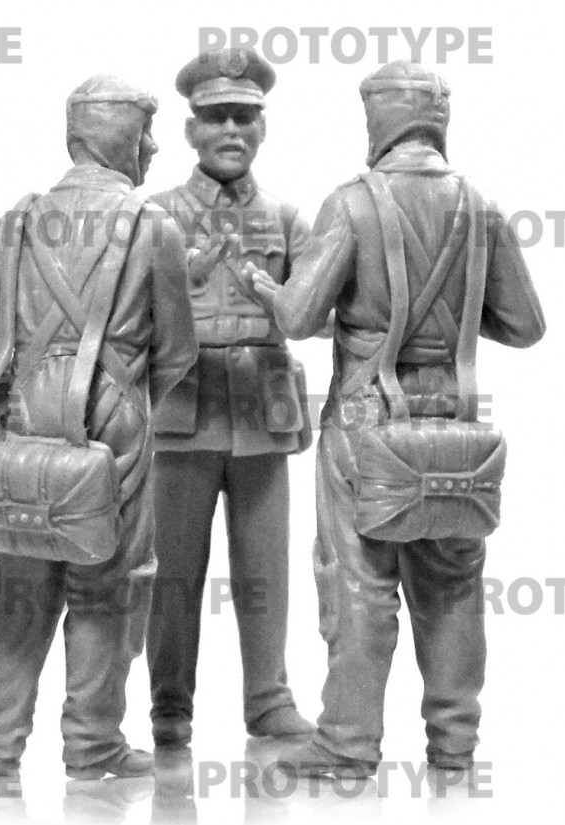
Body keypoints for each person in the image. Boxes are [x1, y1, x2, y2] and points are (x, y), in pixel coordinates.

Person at [250, 61, 546, 776]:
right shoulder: (480, 205)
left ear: (378, 122)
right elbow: (526, 324)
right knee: (453, 586)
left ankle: (348, 744)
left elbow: (299, 315)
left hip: (367, 422)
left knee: (359, 582)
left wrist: (265, 287)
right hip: (454, 424)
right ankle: (454, 745)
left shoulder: (351, 203)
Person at [0, 74, 198, 781]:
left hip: (26, 419)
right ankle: (92, 747)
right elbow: (177, 350)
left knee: (21, 583)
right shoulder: (154, 226)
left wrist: (8, 391)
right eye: (145, 133)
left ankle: (0, 746)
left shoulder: (22, 217)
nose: (154, 148)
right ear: (120, 137)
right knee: (108, 586)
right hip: (114, 424)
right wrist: (125, 398)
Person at [145, 47, 316, 747]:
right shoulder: (156, 215)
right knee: (173, 571)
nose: (231, 131)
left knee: (266, 568)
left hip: (261, 409)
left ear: (263, 127)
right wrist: (182, 280)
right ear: (190, 129)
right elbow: (126, 315)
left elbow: (318, 314)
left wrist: (272, 296)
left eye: (244, 117)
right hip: (182, 409)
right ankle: (169, 705)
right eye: (216, 117)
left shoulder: (287, 217)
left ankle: (269, 699)